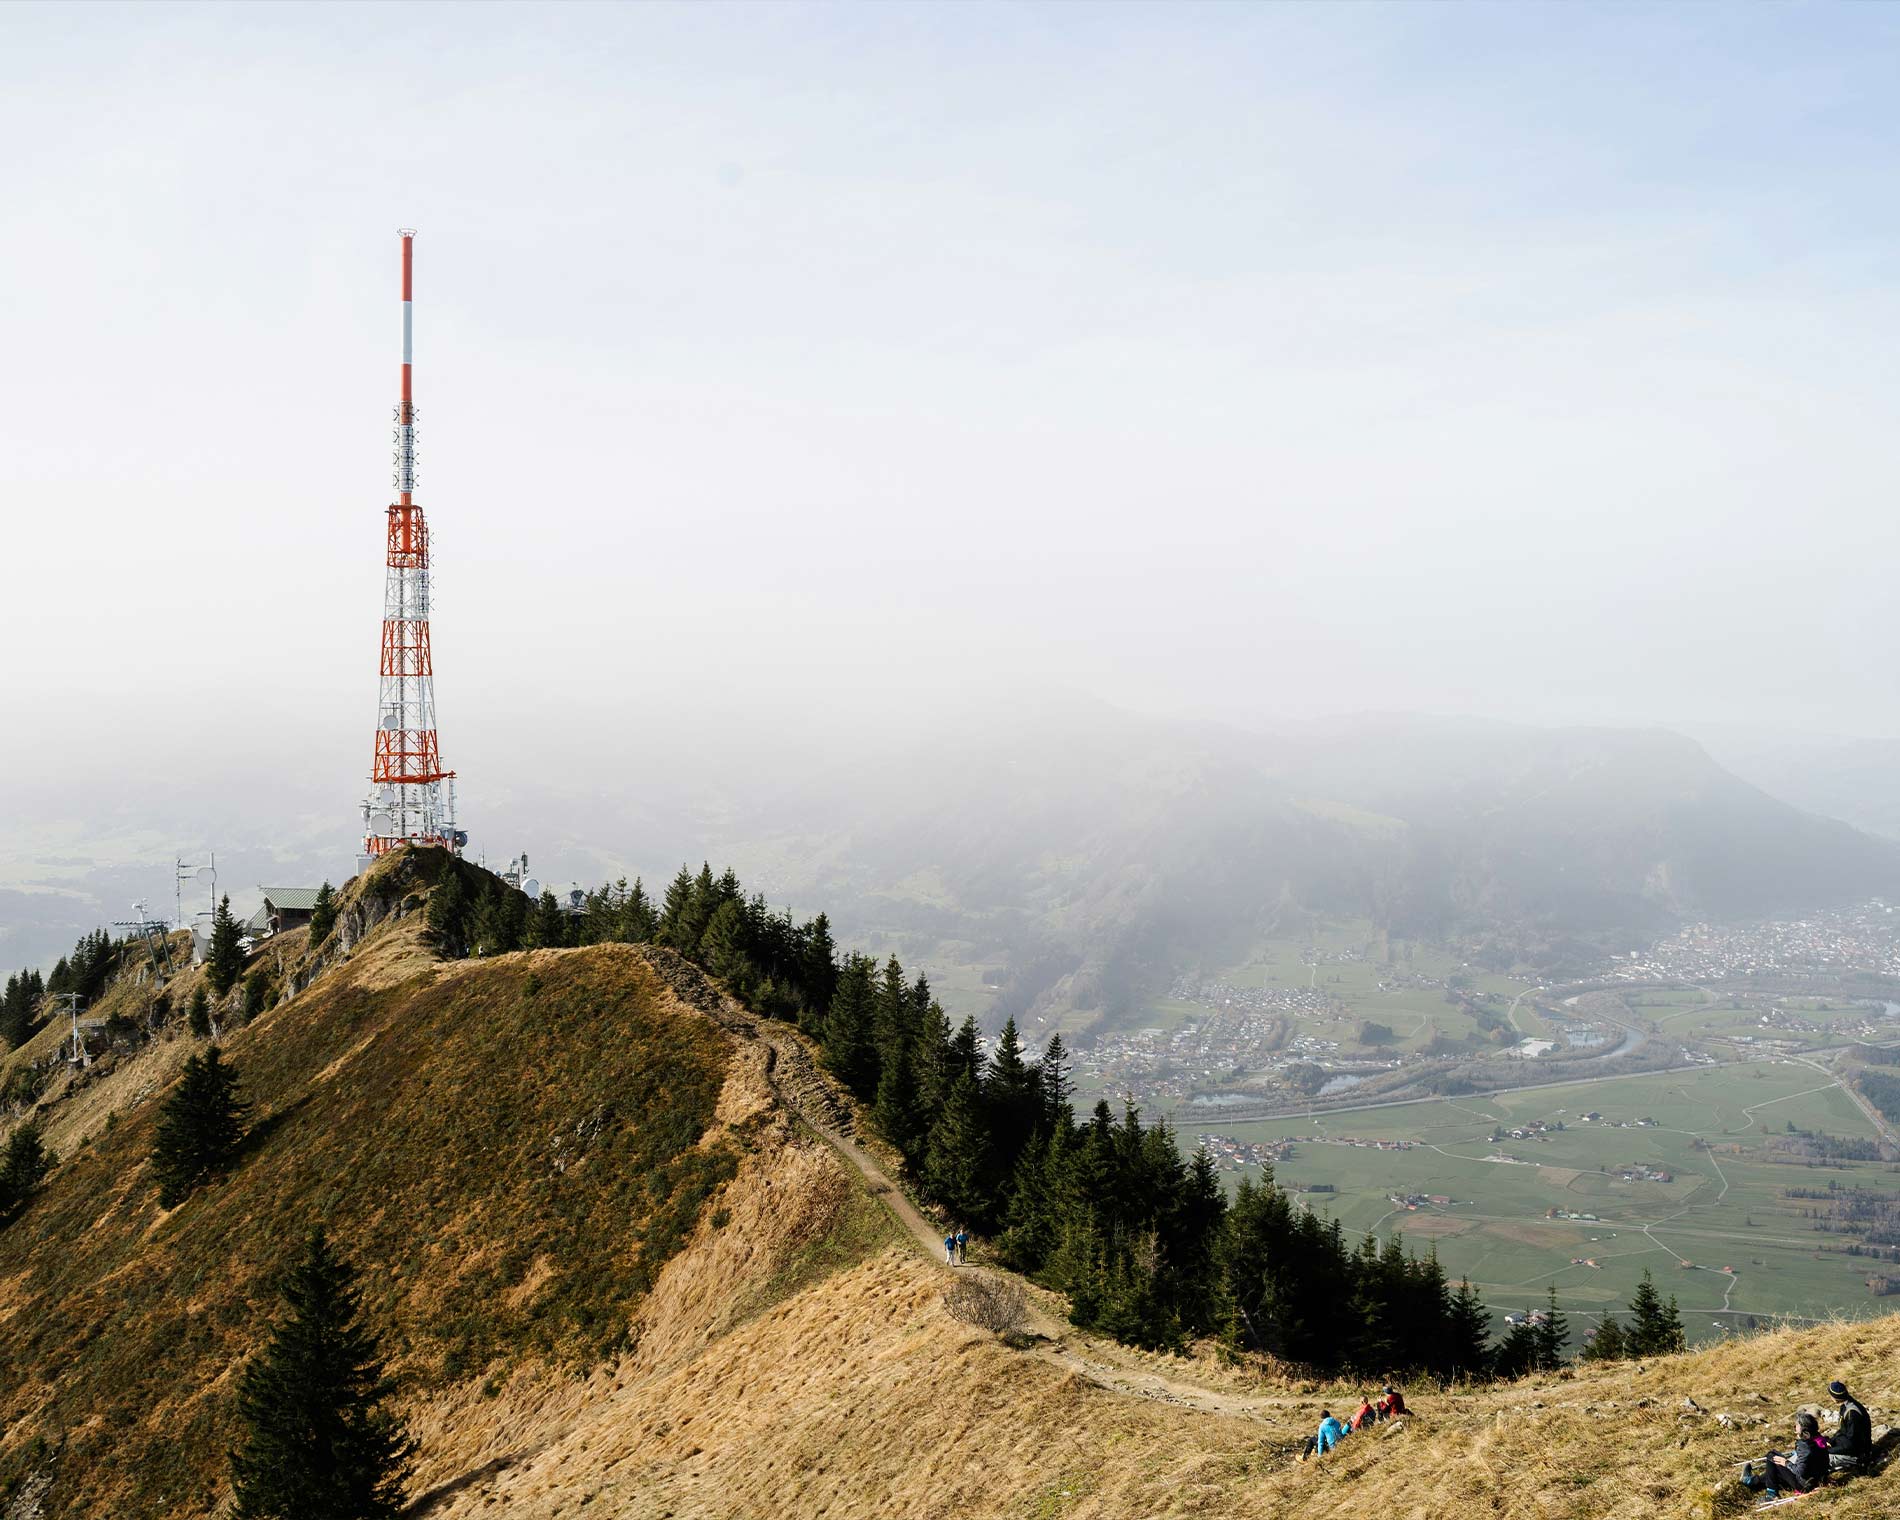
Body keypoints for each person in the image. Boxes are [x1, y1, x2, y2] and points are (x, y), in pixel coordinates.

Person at [1740, 1412, 1828, 1499]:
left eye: (1797, 1426)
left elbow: (1800, 1472)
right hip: (1816, 1480)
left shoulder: (1806, 1446)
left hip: (1804, 1484)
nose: (1795, 1428)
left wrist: (1786, 1463)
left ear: (1805, 1431)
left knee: (1772, 1456)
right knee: (1775, 1472)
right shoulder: (1819, 1439)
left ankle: (1771, 1494)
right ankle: (1752, 1482)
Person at [1828, 1380, 1872, 1474]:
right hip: (1849, 1445)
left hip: (1858, 1453)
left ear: (1835, 1397)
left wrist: (1829, 1450)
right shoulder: (1846, 1405)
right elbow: (1844, 1431)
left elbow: (1852, 1443)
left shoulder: (1852, 1413)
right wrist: (1831, 1441)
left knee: (1821, 1458)